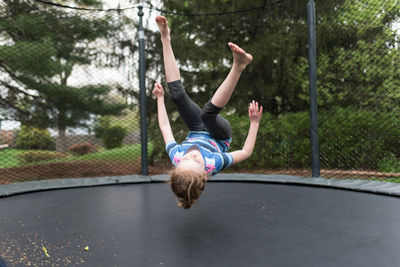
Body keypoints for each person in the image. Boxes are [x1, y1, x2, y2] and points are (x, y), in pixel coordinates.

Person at [153, 15, 263, 209]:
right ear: (205, 175)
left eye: (185, 159)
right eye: (195, 160)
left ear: (178, 163)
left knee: (176, 95)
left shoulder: (177, 156)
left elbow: (164, 127)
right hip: (219, 135)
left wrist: (160, 99)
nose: (191, 156)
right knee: (207, 114)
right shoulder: (215, 162)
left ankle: (165, 38)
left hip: (196, 129)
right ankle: (239, 65)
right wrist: (254, 123)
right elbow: (245, 152)